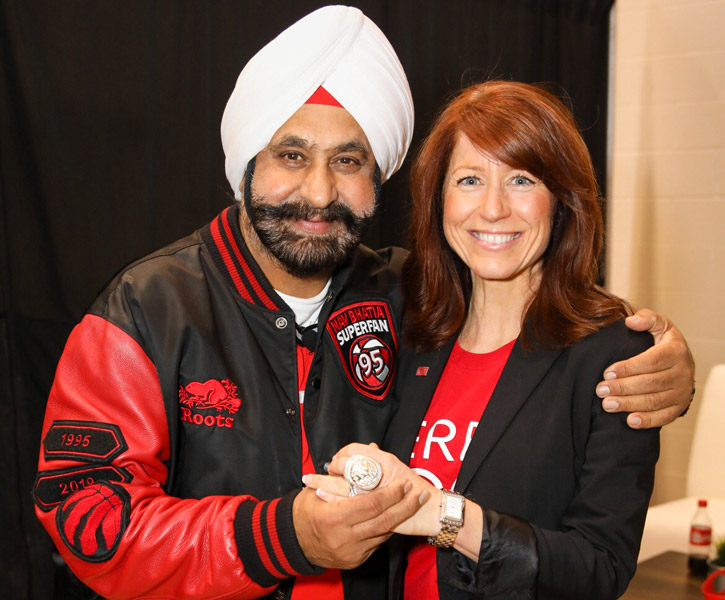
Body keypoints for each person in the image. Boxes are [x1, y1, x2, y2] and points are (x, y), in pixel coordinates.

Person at [32, 6, 692, 600]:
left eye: (348, 162)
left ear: (380, 178)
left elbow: (533, 322)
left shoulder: (411, 300)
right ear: (245, 165)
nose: (318, 194)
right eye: (291, 155)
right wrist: (278, 536)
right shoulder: (147, 308)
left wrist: (663, 357)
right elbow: (82, 514)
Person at [315, 81, 663, 600]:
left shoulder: (612, 355)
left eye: (521, 179)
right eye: (470, 179)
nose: (494, 209)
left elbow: (599, 570)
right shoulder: (409, 326)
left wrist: (441, 513)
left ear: (562, 200)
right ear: (440, 200)